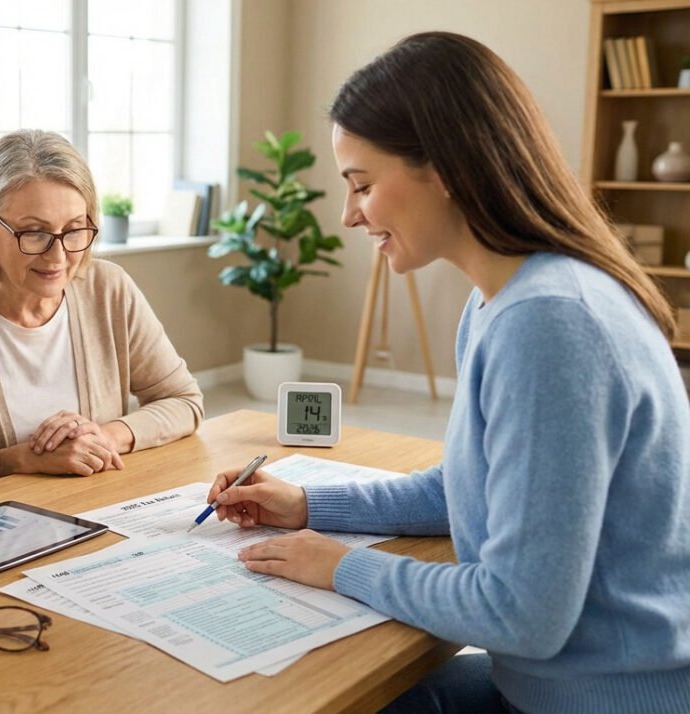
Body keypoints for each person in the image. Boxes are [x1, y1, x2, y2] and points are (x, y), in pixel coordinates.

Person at [207, 32, 690, 714]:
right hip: (551, 685)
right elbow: (472, 486)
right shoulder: (501, 301)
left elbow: (523, 614)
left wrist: (344, 567)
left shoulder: (549, 323)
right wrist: (310, 506)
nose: (349, 215)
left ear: (445, 169)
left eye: (363, 185)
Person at [0, 130, 203, 478]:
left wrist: (103, 436)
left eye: (74, 230)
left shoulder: (108, 290)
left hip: (100, 505)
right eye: (34, 233)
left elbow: (183, 401)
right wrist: (20, 459)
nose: (57, 257)